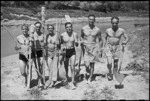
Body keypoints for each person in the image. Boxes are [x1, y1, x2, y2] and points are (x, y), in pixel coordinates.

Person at [103, 17, 129, 81]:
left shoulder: (121, 30)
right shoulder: (108, 30)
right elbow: (104, 38)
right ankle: (109, 72)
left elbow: (127, 38)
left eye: (116, 23)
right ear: (111, 22)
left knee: (115, 63)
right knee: (109, 63)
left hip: (117, 47)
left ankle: (115, 74)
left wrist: (125, 41)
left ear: (118, 22)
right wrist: (103, 47)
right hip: (109, 47)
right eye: (113, 23)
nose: (114, 24)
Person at [81, 14, 103, 84]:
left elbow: (100, 40)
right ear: (88, 20)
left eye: (93, 19)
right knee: (86, 64)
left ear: (94, 20)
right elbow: (81, 37)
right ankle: (87, 70)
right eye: (90, 19)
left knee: (92, 64)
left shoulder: (97, 29)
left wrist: (100, 49)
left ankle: (90, 78)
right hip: (85, 47)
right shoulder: (83, 28)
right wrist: (82, 42)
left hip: (93, 47)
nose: (91, 21)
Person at [60, 22, 80, 89]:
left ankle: (73, 81)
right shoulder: (62, 35)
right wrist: (62, 48)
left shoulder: (75, 34)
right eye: (67, 27)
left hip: (72, 51)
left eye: (70, 27)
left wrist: (77, 43)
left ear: (72, 27)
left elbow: (77, 44)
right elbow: (60, 44)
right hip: (65, 52)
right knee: (66, 67)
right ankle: (66, 79)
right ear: (65, 28)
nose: (69, 28)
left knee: (72, 66)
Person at [15, 24, 33, 89]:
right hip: (22, 56)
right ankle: (25, 77)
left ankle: (28, 84)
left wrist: (32, 44)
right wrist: (17, 47)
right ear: (21, 30)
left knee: (29, 71)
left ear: (28, 30)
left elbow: (34, 47)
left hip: (30, 56)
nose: (24, 30)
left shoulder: (31, 37)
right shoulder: (18, 37)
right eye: (23, 29)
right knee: (22, 72)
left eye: (26, 29)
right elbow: (16, 48)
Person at [31, 21, 45, 87]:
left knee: (41, 65)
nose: (38, 28)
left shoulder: (43, 34)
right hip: (34, 51)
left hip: (40, 51)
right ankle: (39, 77)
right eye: (37, 27)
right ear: (35, 27)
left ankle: (40, 79)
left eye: (39, 27)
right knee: (36, 66)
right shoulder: (32, 34)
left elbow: (45, 44)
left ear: (41, 27)